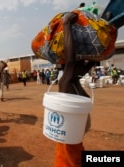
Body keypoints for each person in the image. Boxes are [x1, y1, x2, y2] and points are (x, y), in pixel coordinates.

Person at [54, 10, 96, 167]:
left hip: (76, 143)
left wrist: (96, 56)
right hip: (68, 154)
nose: (83, 64)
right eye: (80, 62)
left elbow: (83, 66)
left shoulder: (76, 81)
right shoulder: (65, 82)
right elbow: (71, 61)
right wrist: (66, 25)